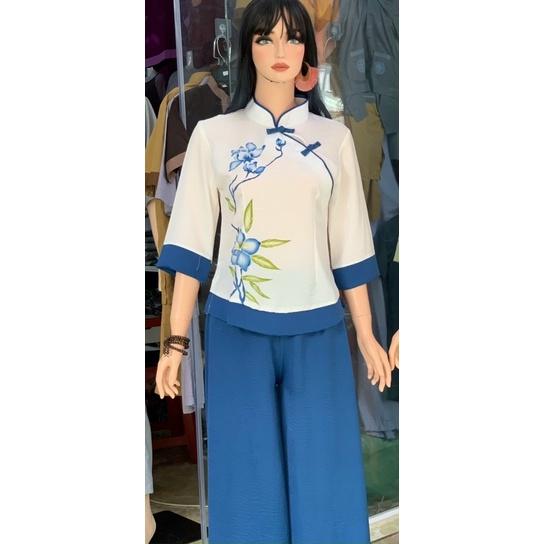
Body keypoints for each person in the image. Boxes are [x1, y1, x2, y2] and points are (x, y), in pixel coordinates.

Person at [155, 1, 392, 541]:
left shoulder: (334, 140)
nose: (280, 50)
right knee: (248, 486)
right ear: (248, 49)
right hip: (237, 329)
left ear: (307, 49)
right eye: (265, 38)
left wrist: (366, 334)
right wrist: (175, 343)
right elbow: (191, 244)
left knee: (325, 478)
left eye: (292, 38)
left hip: (318, 328)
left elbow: (349, 244)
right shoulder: (213, 136)